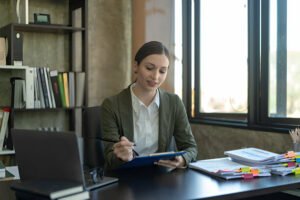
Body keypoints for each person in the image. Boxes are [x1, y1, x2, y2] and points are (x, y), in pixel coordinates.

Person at [100, 41, 197, 170]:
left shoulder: (174, 103)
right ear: (136, 66)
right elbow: (109, 156)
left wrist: (183, 160)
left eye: (162, 71)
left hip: (162, 177)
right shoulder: (111, 105)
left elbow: (191, 148)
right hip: (125, 177)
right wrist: (120, 155)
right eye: (149, 68)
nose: (155, 77)